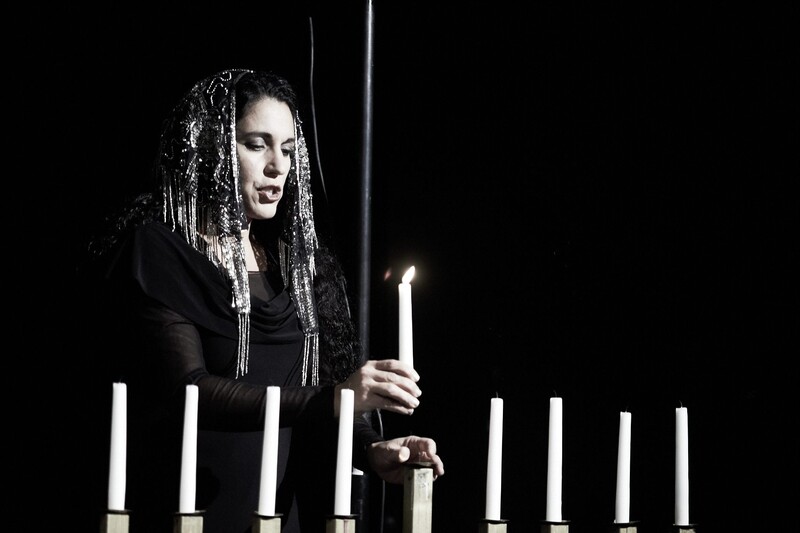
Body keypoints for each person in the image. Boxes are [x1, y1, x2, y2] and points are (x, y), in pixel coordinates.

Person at [84, 69, 444, 533]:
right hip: (192, 513)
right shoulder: (160, 251)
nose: (278, 166)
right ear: (211, 149)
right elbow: (188, 389)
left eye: (289, 150)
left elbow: (323, 392)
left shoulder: (299, 266)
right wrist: (335, 398)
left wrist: (372, 450)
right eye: (257, 145)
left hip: (281, 516)